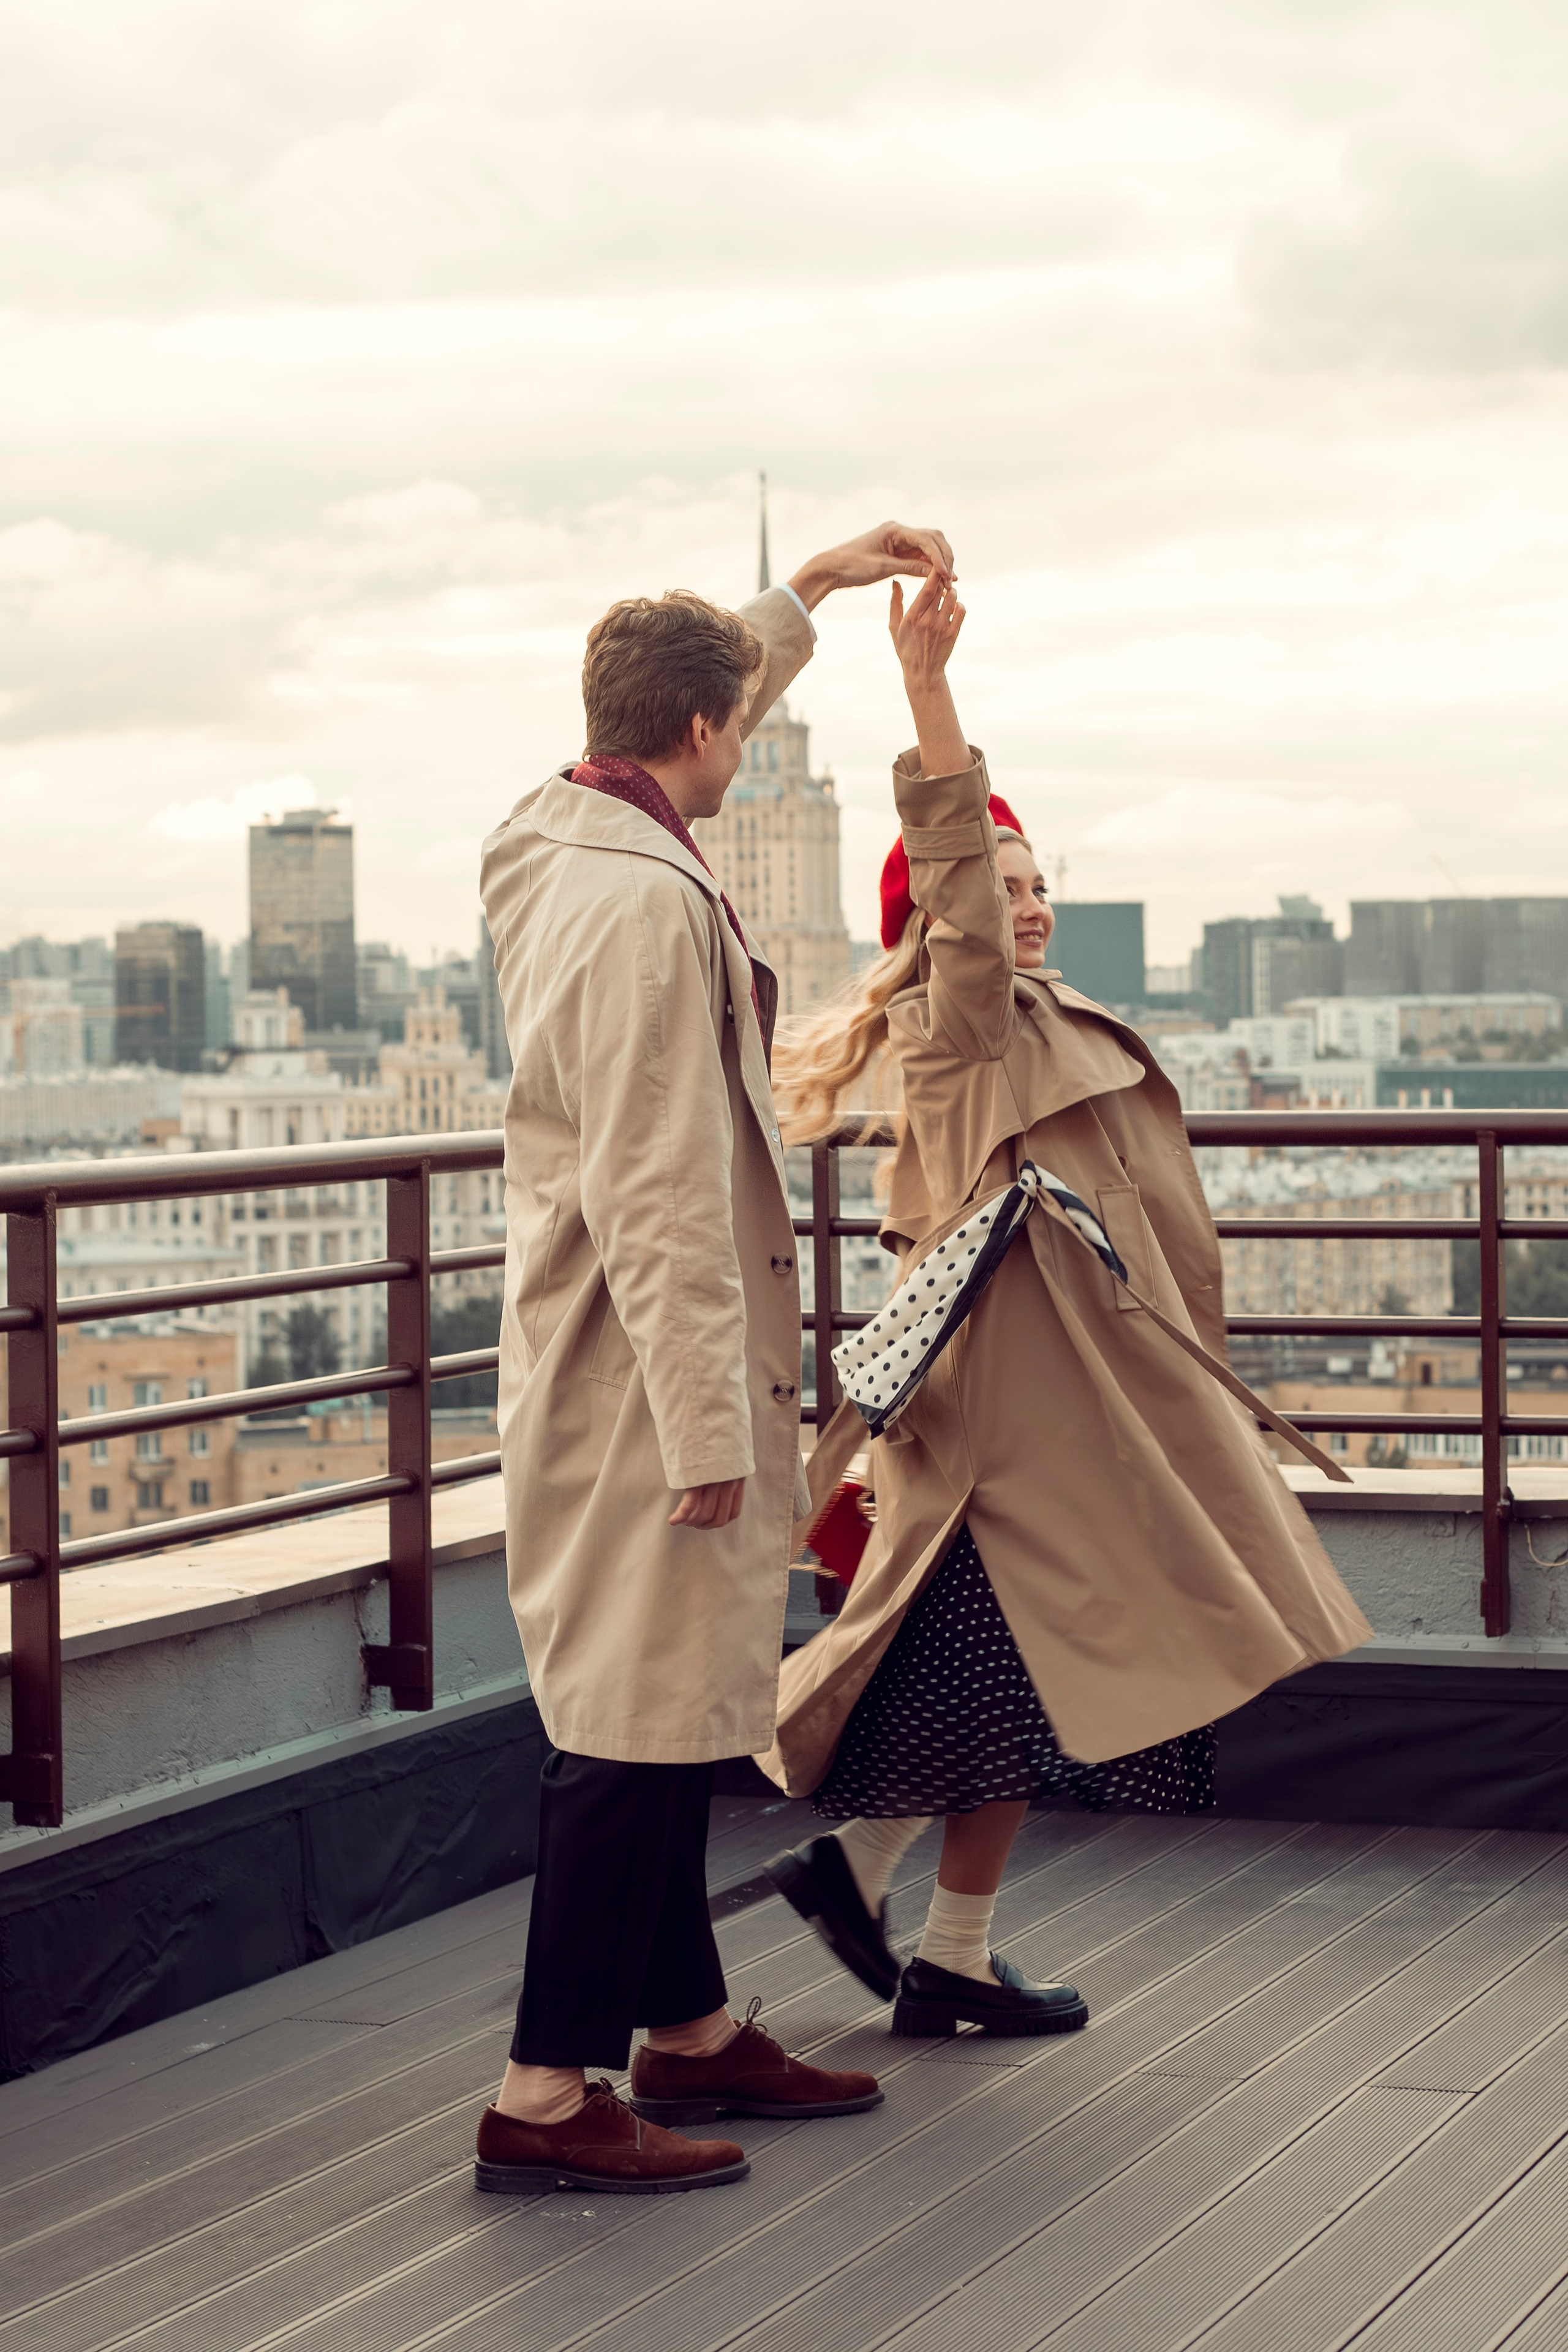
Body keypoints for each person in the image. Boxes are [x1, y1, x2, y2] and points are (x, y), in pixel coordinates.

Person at [761, 571, 1371, 2039]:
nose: (1026, 909)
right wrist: (926, 693)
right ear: (943, 919)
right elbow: (957, 887)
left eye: (1040, 889)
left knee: (1010, 1678)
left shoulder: (1029, 1020)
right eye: (1003, 890)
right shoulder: (962, 1019)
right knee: (1026, 1668)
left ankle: (912, 1915)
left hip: (1054, 1401)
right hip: (1017, 1416)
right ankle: (912, 1917)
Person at [474, 521, 955, 2196]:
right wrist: (702, 1429)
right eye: (737, 719)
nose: (746, 744)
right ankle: (544, 2095)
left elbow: (688, 690)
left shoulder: (568, 824)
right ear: (700, 732)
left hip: (627, 1356)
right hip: (639, 1378)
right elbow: (656, 1177)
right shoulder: (632, 902)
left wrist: (802, 597)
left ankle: (680, 2031)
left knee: (672, 1703)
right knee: (625, 1731)